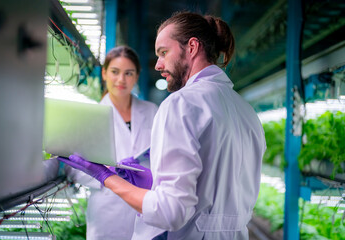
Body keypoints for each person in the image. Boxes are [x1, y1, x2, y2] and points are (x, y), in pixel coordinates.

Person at [60, 12, 266, 240]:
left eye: (163, 53)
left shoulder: (181, 104)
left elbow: (171, 212)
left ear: (192, 47)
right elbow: (215, 185)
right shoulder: (246, 111)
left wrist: (106, 177)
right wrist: (153, 181)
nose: (158, 64)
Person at [66, 46, 158, 240]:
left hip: (145, 205)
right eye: (115, 72)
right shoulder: (89, 117)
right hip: (108, 210)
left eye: (128, 73)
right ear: (105, 73)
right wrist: (107, 173)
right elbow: (73, 168)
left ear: (137, 76)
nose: (121, 80)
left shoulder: (153, 111)